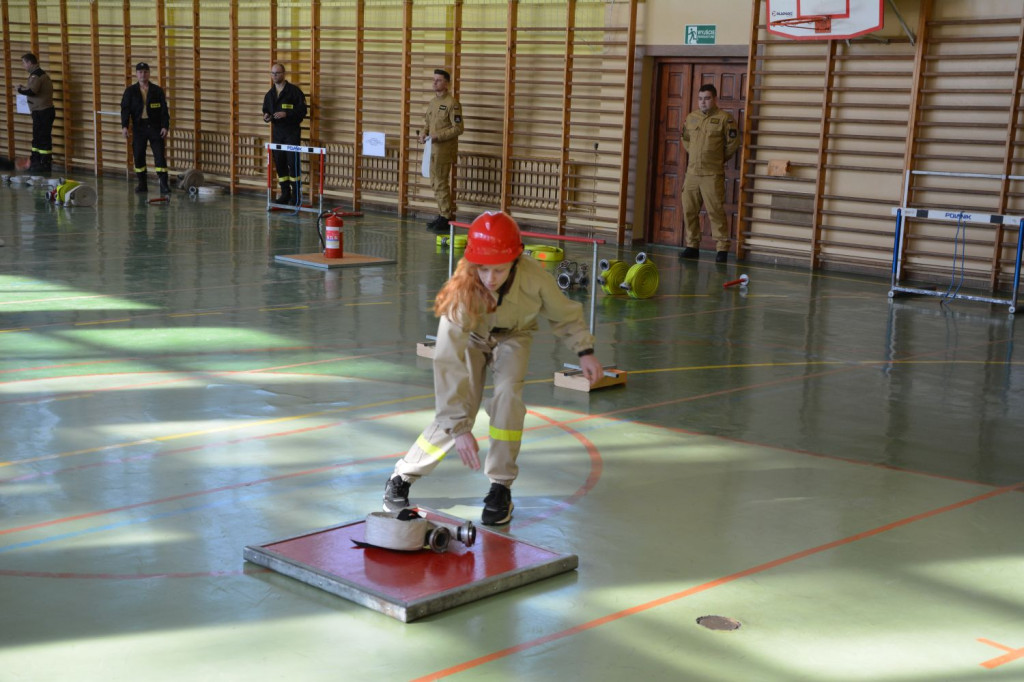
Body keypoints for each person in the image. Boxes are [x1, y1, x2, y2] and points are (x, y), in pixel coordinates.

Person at [383, 211, 603, 525]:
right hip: (472, 337)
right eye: (483, 269)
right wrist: (460, 429)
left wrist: (585, 350)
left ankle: (500, 487)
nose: (490, 278)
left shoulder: (534, 276)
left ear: (516, 258)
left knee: (508, 400)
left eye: (498, 270)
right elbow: (447, 362)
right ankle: (403, 475)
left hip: (515, 335)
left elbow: (563, 314)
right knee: (460, 407)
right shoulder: (463, 290)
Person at [680, 83, 740, 263]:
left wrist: (716, 159)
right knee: (689, 210)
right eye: (700, 99)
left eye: (706, 98)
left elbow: (732, 144)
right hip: (692, 173)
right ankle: (692, 245)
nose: (703, 102)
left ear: (714, 99)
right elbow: (685, 139)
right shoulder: (691, 118)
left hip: (712, 174)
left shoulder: (725, 119)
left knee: (715, 212)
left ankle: (721, 248)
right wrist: (697, 155)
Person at [420, 68, 464, 233]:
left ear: (446, 83)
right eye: (433, 80)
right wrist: (424, 133)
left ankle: (446, 217)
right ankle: (441, 214)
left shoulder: (452, 104)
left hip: (444, 150)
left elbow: (458, 128)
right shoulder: (432, 102)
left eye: (438, 80)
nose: (434, 83)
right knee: (434, 183)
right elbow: (427, 123)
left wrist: (439, 136)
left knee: (440, 183)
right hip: (431, 149)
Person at [121, 62, 171, 194]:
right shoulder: (130, 91)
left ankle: (164, 184)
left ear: (149, 73)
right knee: (138, 156)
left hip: (155, 127)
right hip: (139, 128)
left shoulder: (157, 90)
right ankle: (142, 184)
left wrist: (165, 126)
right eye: (140, 72)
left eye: (145, 72)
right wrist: (125, 126)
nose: (143, 74)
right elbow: (125, 110)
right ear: (136, 74)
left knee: (159, 156)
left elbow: (164, 111)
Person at [262, 63, 307, 206]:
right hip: (277, 133)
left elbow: (302, 112)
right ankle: (285, 193)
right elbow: (265, 110)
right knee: (280, 164)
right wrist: (266, 117)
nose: (275, 76)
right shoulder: (269, 95)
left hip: (291, 133)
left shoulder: (294, 92)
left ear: (284, 74)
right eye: (272, 73)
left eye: (277, 73)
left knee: (292, 164)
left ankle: (296, 196)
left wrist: (286, 114)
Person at [16, 53, 56, 173]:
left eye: (24, 63)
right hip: (40, 112)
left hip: (43, 112)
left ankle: (44, 163)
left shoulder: (37, 75)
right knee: (38, 138)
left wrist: (19, 89)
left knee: (43, 138)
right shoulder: (36, 75)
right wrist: (24, 88)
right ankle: (36, 161)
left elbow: (32, 91)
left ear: (29, 63)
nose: (23, 66)